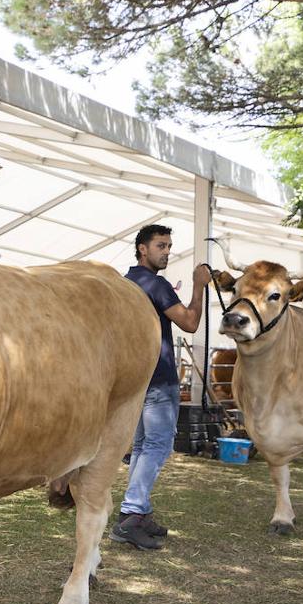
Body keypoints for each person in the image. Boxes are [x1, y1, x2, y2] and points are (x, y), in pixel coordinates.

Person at [111, 224, 212, 550]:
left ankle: (139, 511)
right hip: (159, 379)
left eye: (169, 246)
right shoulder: (155, 284)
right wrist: (199, 287)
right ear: (143, 248)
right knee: (157, 447)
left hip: (135, 380)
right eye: (160, 246)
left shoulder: (124, 282)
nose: (167, 251)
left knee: (141, 447)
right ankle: (132, 513)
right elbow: (190, 322)